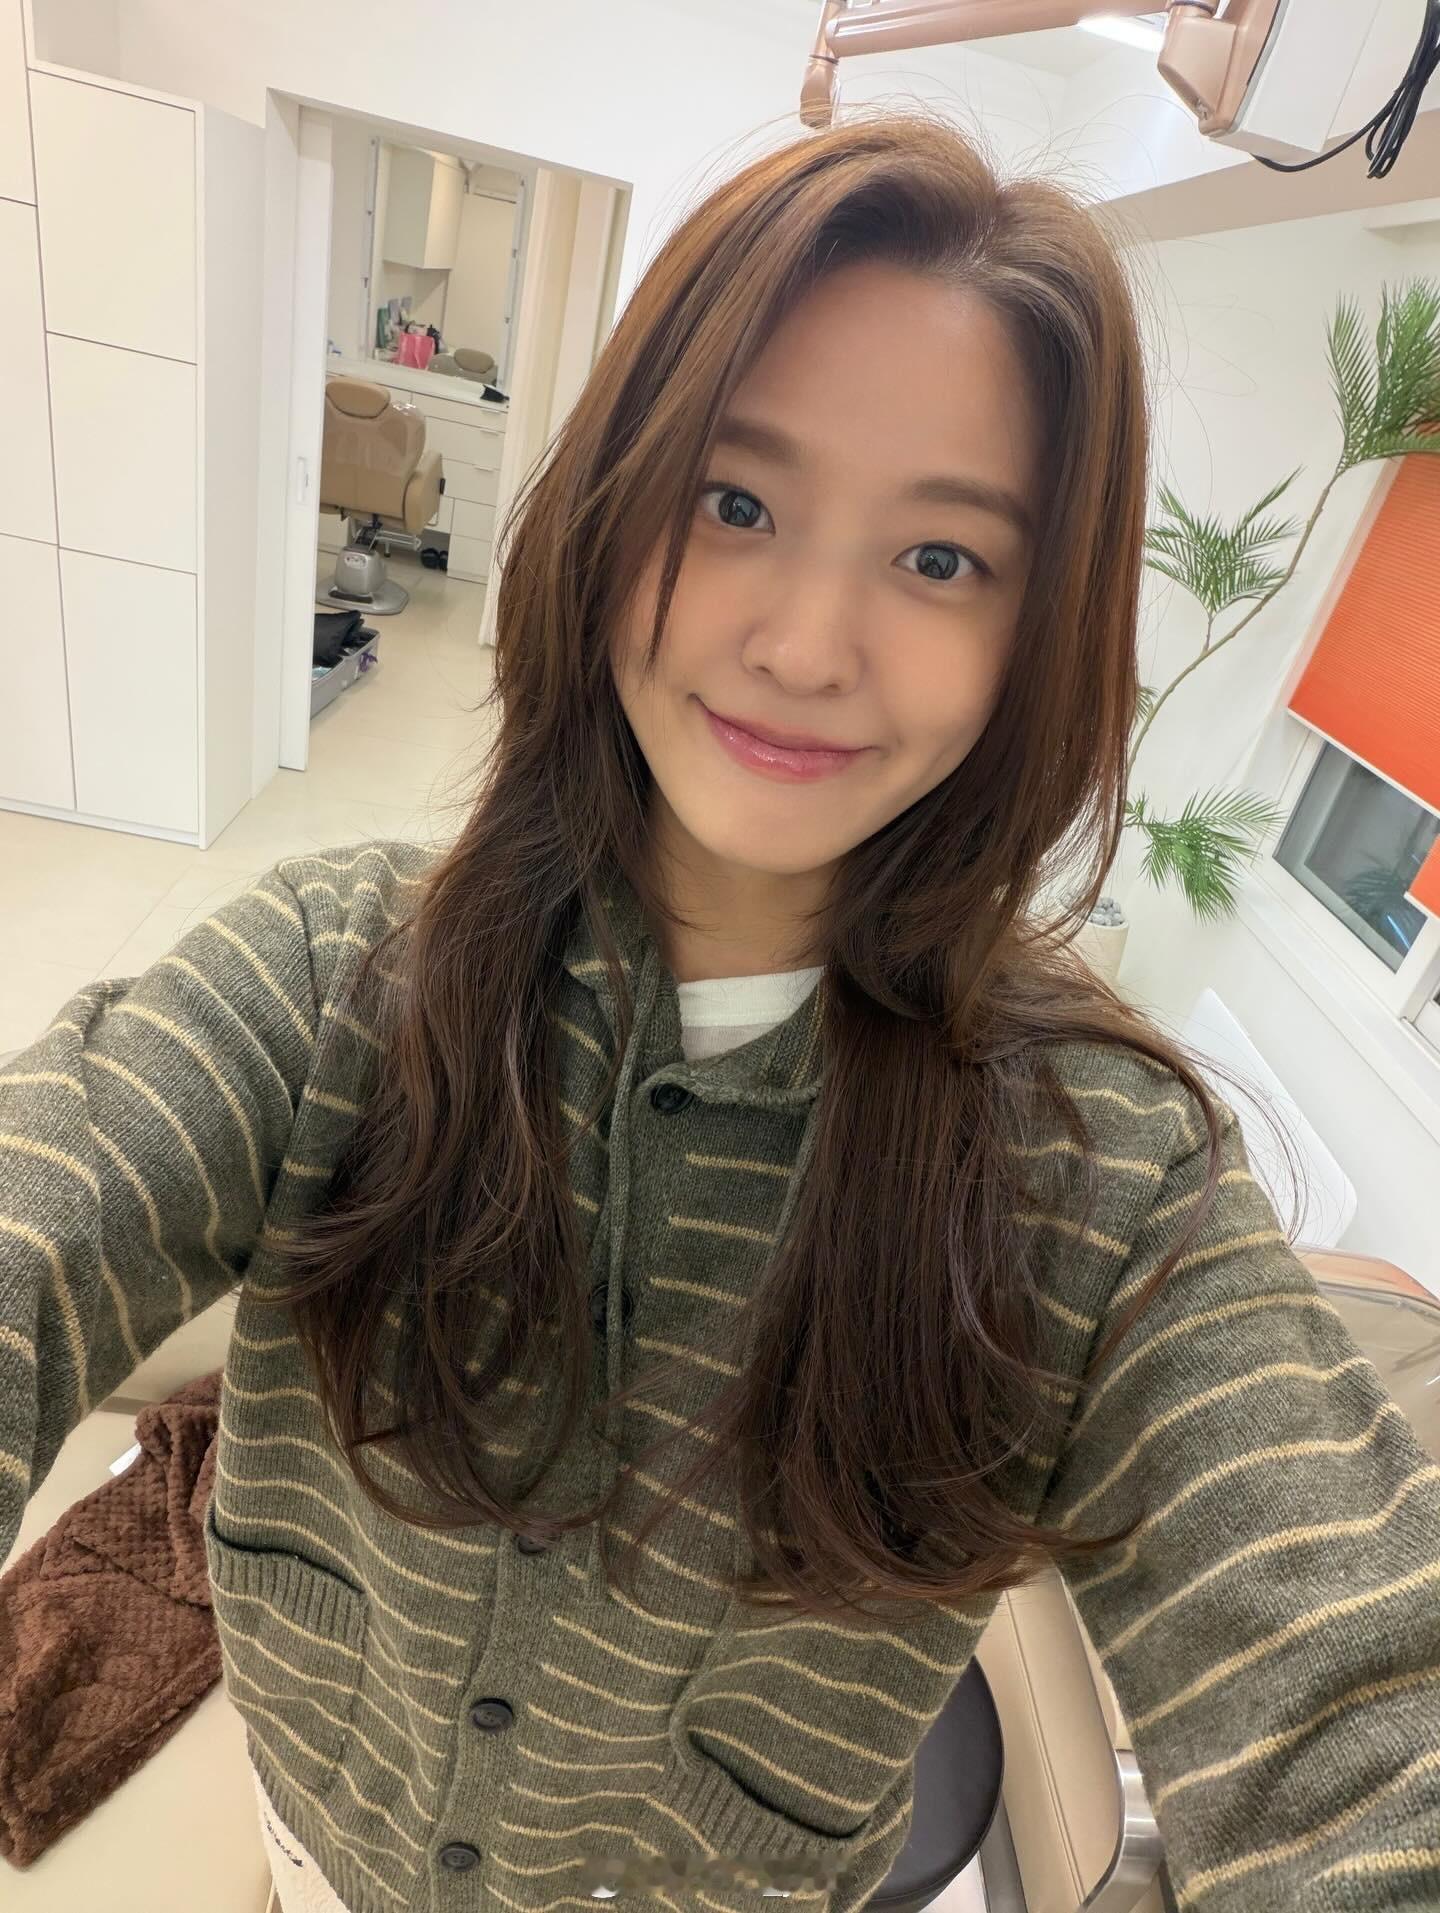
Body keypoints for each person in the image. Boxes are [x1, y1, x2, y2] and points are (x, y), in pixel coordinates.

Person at [2, 111, 1438, 1913]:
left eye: (941, 559)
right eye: (737, 503)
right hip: (321, 1841)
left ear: (1035, 632)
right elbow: (39, 1214)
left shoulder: (1106, 1175)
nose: (808, 645)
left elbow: (1358, 1712)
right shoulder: (336, 968)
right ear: (616, 508)